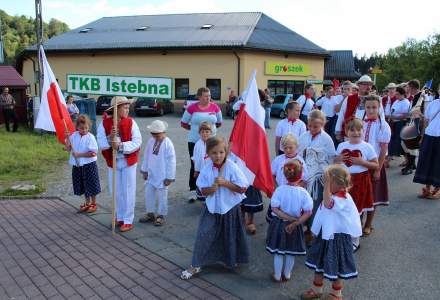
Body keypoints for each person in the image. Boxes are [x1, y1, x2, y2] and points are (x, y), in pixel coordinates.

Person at [180, 136, 249, 280]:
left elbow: (242, 188)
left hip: (229, 208)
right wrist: (211, 189)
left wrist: (225, 183)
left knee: (229, 235)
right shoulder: (207, 167)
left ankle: (230, 260)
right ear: (208, 153)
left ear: (225, 152)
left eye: (221, 152)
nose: (218, 156)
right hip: (211, 208)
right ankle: (196, 264)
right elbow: (201, 190)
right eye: (214, 153)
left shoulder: (231, 166)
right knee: (204, 234)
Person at [301, 165, 362, 300]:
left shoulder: (342, 199)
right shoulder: (334, 195)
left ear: (338, 183)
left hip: (338, 237)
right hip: (325, 235)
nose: (325, 184)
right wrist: (315, 231)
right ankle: (317, 288)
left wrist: (327, 186)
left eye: (328, 182)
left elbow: (328, 203)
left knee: (338, 265)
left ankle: (336, 293)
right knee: (320, 263)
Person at [97, 96, 142, 232]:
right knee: (115, 190)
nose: (128, 110)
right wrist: (110, 138)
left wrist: (120, 146)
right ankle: (119, 216)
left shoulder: (131, 122)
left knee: (128, 190)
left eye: (129, 107)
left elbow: (137, 141)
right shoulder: (104, 124)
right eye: (125, 108)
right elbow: (101, 143)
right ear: (116, 109)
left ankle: (128, 219)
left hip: (128, 162)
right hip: (114, 162)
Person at [266, 159, 313, 282]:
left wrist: (287, 217)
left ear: (285, 174)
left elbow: (275, 209)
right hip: (294, 226)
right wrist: (295, 222)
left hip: (279, 224)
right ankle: (287, 274)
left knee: (279, 252)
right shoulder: (303, 193)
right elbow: (308, 212)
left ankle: (277, 275)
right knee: (291, 251)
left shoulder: (280, 190)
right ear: (301, 175)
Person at [335, 118, 378, 250]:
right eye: (352, 130)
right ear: (347, 132)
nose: (356, 132)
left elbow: (375, 165)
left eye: (359, 129)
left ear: (363, 131)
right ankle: (344, 236)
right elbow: (335, 162)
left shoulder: (366, 146)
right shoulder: (342, 146)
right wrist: (338, 159)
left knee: (356, 211)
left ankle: (355, 240)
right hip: (344, 180)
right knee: (343, 209)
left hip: (360, 181)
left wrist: (362, 162)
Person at [298, 110, 336, 247]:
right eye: (310, 126)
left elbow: (331, 158)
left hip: (318, 178)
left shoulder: (327, 139)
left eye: (316, 126)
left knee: (315, 204)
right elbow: (298, 156)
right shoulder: (303, 136)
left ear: (323, 125)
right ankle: (301, 228)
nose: (312, 129)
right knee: (303, 204)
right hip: (304, 177)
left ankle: (312, 231)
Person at [181, 87, 222, 202]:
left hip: (212, 142)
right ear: (199, 97)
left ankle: (211, 188)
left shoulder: (215, 107)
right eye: (205, 96)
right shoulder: (191, 108)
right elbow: (183, 123)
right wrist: (196, 131)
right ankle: (193, 190)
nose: (208, 98)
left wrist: (210, 132)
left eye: (209, 95)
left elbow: (219, 122)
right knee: (195, 165)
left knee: (212, 165)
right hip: (194, 141)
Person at [361, 95, 392, 235]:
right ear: (364, 107)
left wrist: (378, 169)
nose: (371, 110)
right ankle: (357, 222)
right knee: (359, 195)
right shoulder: (361, 122)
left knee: (372, 197)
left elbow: (383, 150)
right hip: (360, 165)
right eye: (368, 107)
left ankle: (368, 224)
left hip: (374, 165)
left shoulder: (383, 126)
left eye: (374, 107)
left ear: (379, 107)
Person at [139, 120, 176, 226]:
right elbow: (146, 156)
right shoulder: (151, 141)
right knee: (148, 193)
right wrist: (145, 171)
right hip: (151, 173)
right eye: (153, 134)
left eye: (157, 134)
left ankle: (161, 215)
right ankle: (150, 213)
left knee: (162, 195)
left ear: (164, 132)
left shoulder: (168, 143)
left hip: (163, 175)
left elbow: (171, 161)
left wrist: (169, 177)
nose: (155, 136)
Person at [268, 134, 308, 223]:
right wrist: (276, 187)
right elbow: (272, 175)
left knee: (292, 211)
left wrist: (296, 188)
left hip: (294, 193)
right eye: (285, 148)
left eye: (290, 148)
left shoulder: (300, 161)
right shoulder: (278, 159)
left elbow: (305, 179)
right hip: (280, 191)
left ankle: (294, 223)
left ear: (296, 147)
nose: (288, 150)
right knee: (278, 211)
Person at [65, 114, 101, 214]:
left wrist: (79, 154)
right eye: (81, 128)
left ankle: (93, 203)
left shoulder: (91, 137)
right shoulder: (74, 135)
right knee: (83, 184)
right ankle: (87, 202)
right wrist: (67, 138)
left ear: (88, 127)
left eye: (86, 128)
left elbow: (93, 153)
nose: (84, 130)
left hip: (89, 165)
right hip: (78, 165)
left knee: (91, 184)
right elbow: (68, 149)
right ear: (77, 127)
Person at [335, 75, 385, 141]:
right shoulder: (349, 98)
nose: (368, 86)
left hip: (369, 133)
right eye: (365, 84)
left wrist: (382, 131)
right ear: (359, 85)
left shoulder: (376, 100)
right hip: (351, 132)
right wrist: (338, 131)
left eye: (370, 84)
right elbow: (342, 115)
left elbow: (381, 116)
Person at [414, 88, 440, 199]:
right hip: (429, 135)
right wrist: (423, 136)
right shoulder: (433, 103)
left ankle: (437, 189)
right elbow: (426, 121)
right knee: (426, 161)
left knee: (438, 163)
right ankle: (427, 188)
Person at [401, 79, 430, 175]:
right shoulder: (414, 97)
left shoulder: (423, 96)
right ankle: (411, 164)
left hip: (419, 123)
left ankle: (411, 166)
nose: (407, 88)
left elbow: (426, 113)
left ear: (412, 87)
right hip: (412, 122)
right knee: (405, 143)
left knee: (411, 144)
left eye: (408, 87)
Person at [192, 121, 213, 201]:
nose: (205, 134)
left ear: (211, 132)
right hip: (200, 170)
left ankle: (210, 200)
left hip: (210, 170)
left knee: (210, 185)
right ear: (199, 133)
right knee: (202, 185)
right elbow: (195, 158)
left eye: (207, 132)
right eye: (202, 132)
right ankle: (203, 200)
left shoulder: (213, 143)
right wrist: (196, 170)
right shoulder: (197, 144)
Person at [388, 87, 411, 160]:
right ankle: (390, 156)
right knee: (393, 140)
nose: (396, 96)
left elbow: (405, 115)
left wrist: (394, 117)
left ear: (402, 94)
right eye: (396, 94)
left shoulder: (406, 102)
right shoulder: (396, 101)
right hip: (394, 123)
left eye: (398, 94)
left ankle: (406, 159)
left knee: (401, 142)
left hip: (401, 123)